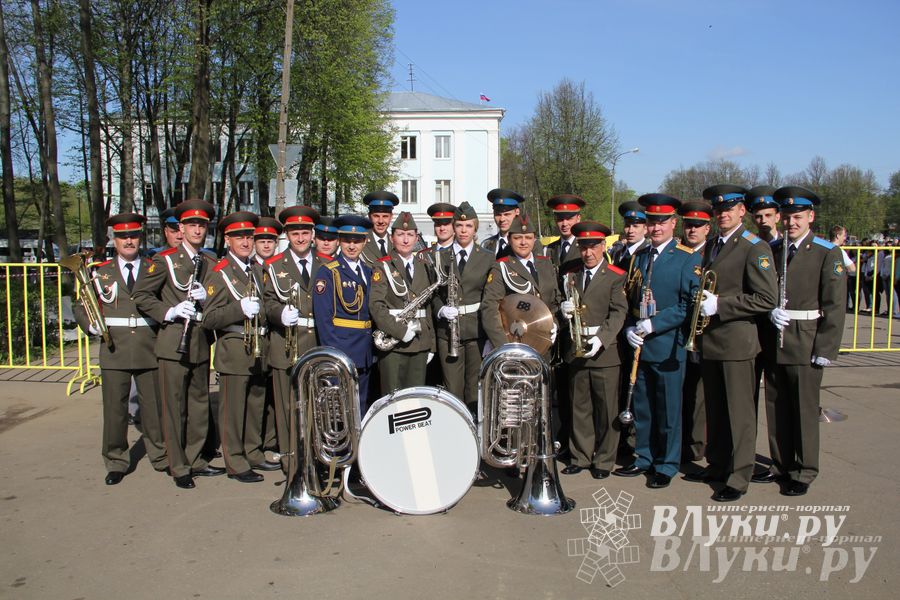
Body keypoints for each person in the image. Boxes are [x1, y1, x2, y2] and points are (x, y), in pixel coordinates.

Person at [684, 185, 778, 502]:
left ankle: (739, 476)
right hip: (711, 341)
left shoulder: (755, 247)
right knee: (717, 411)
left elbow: (766, 298)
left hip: (737, 342)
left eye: (730, 208)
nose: (723, 213)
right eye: (719, 209)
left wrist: (721, 305)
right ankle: (718, 464)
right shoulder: (712, 245)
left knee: (740, 414)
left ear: (742, 212)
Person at [133, 199, 223, 489]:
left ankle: (195, 458)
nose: (197, 230)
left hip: (199, 340)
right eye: (192, 225)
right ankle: (178, 465)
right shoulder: (165, 260)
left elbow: (218, 298)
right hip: (173, 341)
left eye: (202, 225)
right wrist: (168, 312)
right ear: (180, 229)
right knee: (174, 406)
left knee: (197, 405)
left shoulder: (209, 261)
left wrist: (205, 299)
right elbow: (142, 295)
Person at [73, 213, 168, 484]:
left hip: (149, 346)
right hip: (113, 348)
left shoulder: (154, 268)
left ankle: (159, 455)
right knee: (115, 409)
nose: (129, 241)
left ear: (141, 238)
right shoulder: (99, 271)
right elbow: (81, 304)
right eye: (123, 237)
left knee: (153, 407)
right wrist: (89, 325)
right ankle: (116, 459)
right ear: (113, 240)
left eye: (134, 236)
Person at [614, 195, 700, 489]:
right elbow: (628, 297)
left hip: (668, 344)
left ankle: (667, 463)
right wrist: (629, 326)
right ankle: (644, 456)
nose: (655, 227)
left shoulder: (687, 257)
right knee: (644, 406)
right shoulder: (638, 257)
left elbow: (691, 303)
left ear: (674, 224)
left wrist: (655, 323)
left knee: (668, 408)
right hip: (640, 343)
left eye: (662, 222)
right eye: (651, 221)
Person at [764, 186, 846, 496]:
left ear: (810, 217)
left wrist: (826, 348)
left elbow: (835, 304)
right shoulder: (775, 249)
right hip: (776, 338)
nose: (790, 223)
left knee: (803, 409)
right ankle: (781, 463)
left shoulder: (827, 251)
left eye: (797, 217)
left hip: (807, 338)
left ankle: (804, 469)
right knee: (776, 406)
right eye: (786, 217)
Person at [201, 212, 273, 483]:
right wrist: (237, 308)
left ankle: (253, 452)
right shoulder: (220, 273)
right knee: (233, 410)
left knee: (255, 405)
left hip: (258, 347)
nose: (246, 241)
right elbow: (209, 318)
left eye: (249, 236)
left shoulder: (256, 269)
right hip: (234, 347)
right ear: (227, 240)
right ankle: (235, 461)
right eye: (239, 237)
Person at [558, 221, 627, 479]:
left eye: (593, 247)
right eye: (583, 247)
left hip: (604, 351)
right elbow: (563, 304)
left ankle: (605, 460)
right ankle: (581, 456)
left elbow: (619, 311)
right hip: (576, 349)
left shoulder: (615, 275)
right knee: (580, 406)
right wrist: (563, 312)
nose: (588, 253)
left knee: (606, 409)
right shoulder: (571, 274)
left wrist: (603, 338)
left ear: (603, 246)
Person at [263, 205, 323, 470]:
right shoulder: (274, 265)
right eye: (295, 233)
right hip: (286, 344)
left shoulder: (325, 263)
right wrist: (278, 314)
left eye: (305, 233)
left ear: (312, 234)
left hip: (317, 344)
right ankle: (291, 461)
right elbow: (266, 302)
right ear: (287, 235)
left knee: (315, 405)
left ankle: (313, 457)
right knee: (288, 408)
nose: (300, 238)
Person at [432, 202, 493, 412]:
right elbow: (433, 293)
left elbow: (490, 298)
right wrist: (440, 309)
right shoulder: (439, 256)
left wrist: (491, 336)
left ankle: (474, 434)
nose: (463, 230)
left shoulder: (487, 258)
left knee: (474, 389)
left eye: (468, 226)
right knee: (452, 390)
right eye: (459, 225)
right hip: (448, 332)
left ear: (475, 228)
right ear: (453, 227)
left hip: (476, 331)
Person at [369, 211, 437, 393]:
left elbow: (428, 307)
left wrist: (432, 344)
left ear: (416, 239)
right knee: (393, 399)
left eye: (410, 235)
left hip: (421, 342)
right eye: (400, 235)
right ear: (392, 238)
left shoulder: (424, 265)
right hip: (394, 344)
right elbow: (376, 306)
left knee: (415, 400)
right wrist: (399, 331)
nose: (405, 240)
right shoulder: (382, 265)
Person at [313, 215, 375, 412]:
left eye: (357, 241)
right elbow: (324, 319)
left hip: (365, 351)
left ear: (365, 242)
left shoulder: (368, 271)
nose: (351, 246)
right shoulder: (328, 272)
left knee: (361, 405)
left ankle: (359, 443)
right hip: (342, 349)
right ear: (339, 240)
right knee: (340, 408)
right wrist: (335, 354)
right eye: (347, 240)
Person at [481, 215, 560, 362]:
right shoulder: (501, 266)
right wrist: (504, 347)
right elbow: (489, 309)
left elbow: (554, 302)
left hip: (544, 344)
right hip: (515, 346)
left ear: (534, 239)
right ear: (510, 240)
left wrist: (554, 323)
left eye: (528, 238)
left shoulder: (546, 264)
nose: (524, 242)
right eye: (518, 238)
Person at [677, 200, 712, 465]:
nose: (692, 230)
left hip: (704, 334)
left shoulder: (712, 254)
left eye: (698, 226)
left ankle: (697, 446)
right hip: (678, 334)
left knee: (699, 396)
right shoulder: (678, 253)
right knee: (682, 392)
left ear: (707, 228)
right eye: (689, 225)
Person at [480, 188, 544, 259]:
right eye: (498, 214)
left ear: (517, 212)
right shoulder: (486, 244)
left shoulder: (530, 244)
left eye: (507, 214)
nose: (502, 219)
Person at [360, 191, 397, 265]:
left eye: (385, 216)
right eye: (376, 216)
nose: (380, 221)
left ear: (391, 217)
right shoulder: (360, 242)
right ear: (369, 216)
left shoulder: (396, 243)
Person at [609, 201, 649, 269]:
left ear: (645, 229)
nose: (630, 231)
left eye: (635, 226)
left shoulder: (648, 255)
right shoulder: (618, 253)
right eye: (627, 226)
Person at [829, 225, 857, 310]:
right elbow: (852, 268)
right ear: (837, 236)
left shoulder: (821, 248)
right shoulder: (839, 251)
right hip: (835, 286)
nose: (845, 238)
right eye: (844, 235)